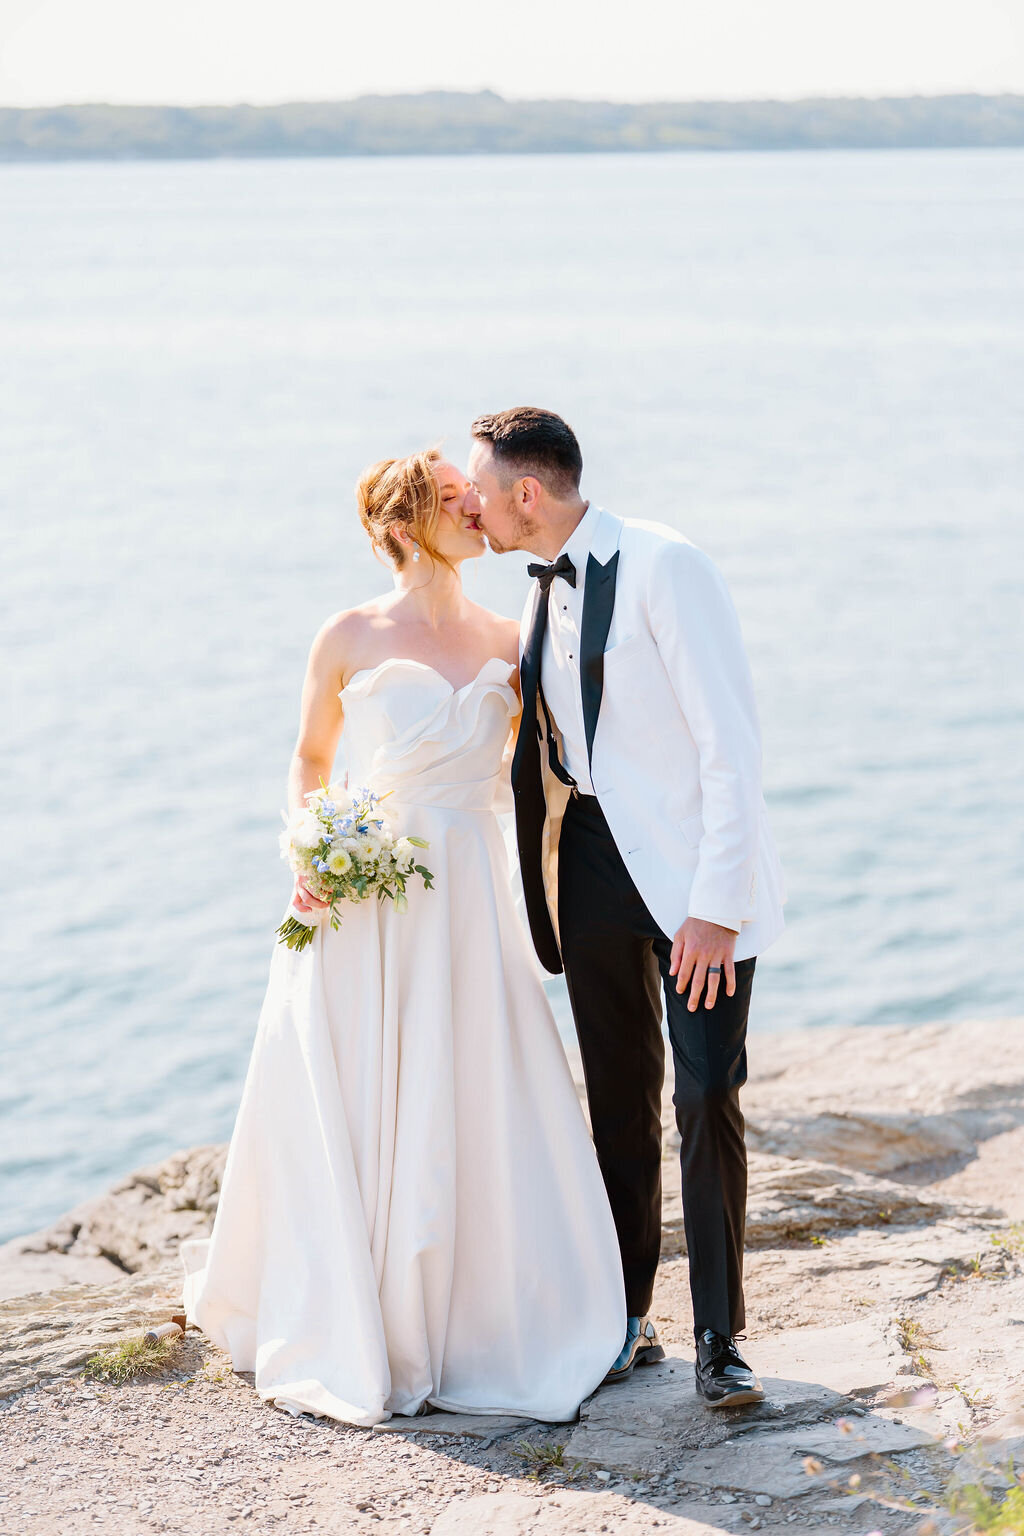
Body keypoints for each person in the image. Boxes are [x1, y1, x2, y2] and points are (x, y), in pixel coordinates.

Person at [180, 448, 625, 1426]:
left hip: (469, 892)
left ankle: (476, 1317)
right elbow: (310, 759)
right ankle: (355, 1310)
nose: (474, 508)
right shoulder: (347, 634)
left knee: (470, 1081)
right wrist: (310, 847)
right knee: (361, 1085)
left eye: (473, 494)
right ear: (399, 527)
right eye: (452, 498)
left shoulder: (511, 636)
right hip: (366, 896)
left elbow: (549, 770)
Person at [465, 408, 786, 1409]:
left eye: (482, 491)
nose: (473, 508)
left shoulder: (664, 564)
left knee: (705, 1094)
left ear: (527, 492)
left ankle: (720, 1342)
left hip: (692, 881)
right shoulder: (533, 592)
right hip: (591, 871)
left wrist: (716, 909)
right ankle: (625, 1318)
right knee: (616, 1101)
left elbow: (730, 745)